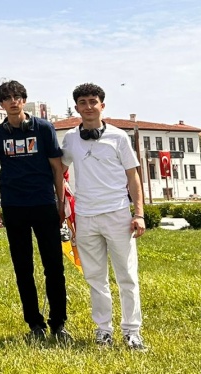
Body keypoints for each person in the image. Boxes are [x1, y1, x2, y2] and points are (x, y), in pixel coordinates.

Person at [0, 80, 70, 343]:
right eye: (7, 98)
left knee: (54, 267)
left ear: (23, 100)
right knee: (23, 268)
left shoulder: (43, 128)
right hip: (14, 206)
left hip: (44, 205)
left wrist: (61, 201)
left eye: (17, 97)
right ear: (1, 104)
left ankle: (58, 324)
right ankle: (35, 324)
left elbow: (57, 168)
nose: (12, 101)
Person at [61, 83, 147, 351]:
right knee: (95, 277)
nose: (88, 106)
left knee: (127, 276)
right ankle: (103, 330)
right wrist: (61, 202)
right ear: (76, 107)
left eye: (93, 101)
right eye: (83, 102)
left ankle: (132, 331)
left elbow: (133, 177)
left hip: (117, 214)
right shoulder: (70, 139)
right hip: (85, 217)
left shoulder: (119, 137)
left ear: (102, 105)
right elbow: (59, 171)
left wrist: (139, 213)